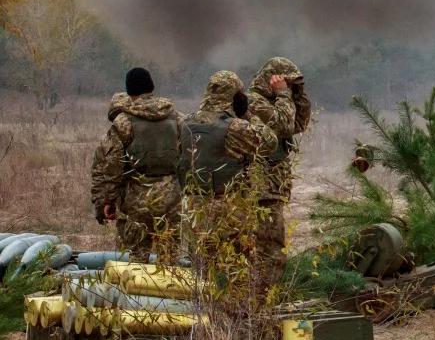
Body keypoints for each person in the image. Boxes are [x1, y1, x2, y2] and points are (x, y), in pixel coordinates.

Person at [178, 71, 278, 304]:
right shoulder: (235, 127)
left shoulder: (185, 123)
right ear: (233, 96)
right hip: (229, 207)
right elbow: (270, 143)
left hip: (194, 207)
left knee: (200, 263)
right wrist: (247, 115)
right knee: (236, 263)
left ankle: (203, 314)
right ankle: (234, 315)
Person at [90, 67, 183, 261]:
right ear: (151, 87)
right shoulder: (176, 118)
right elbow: (189, 155)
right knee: (170, 261)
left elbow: (111, 166)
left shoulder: (123, 122)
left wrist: (106, 201)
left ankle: (135, 291)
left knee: (136, 262)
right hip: (172, 200)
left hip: (136, 202)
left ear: (130, 92)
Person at [245, 57, 311, 294]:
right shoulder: (253, 101)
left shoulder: (277, 101)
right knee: (268, 247)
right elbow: (283, 125)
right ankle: (263, 299)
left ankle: (264, 295)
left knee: (270, 245)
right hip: (260, 185)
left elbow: (298, 124)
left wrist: (297, 93)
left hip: (272, 185)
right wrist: (283, 95)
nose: (288, 87)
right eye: (285, 81)